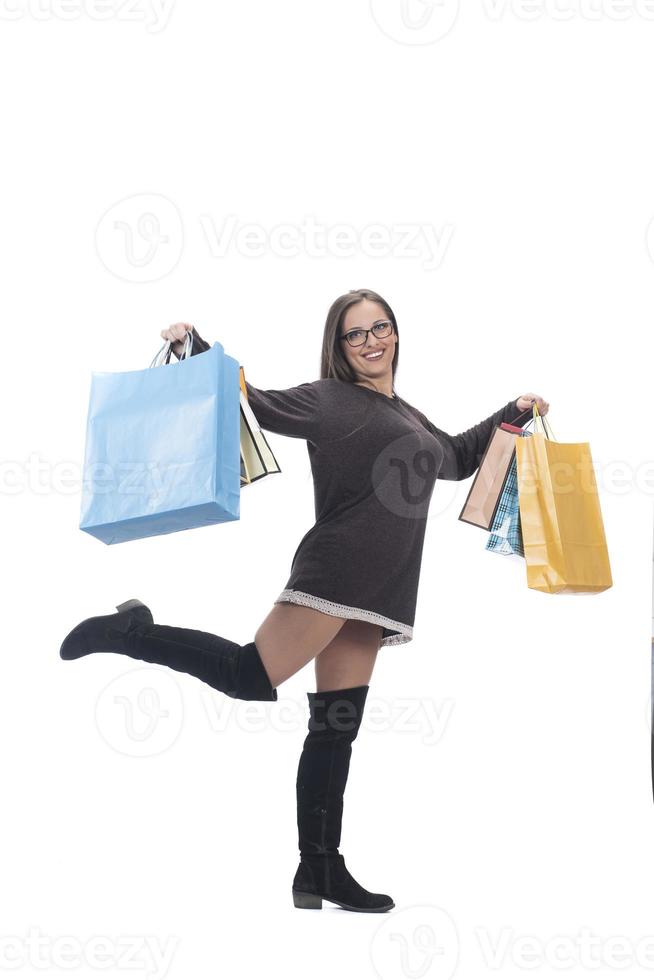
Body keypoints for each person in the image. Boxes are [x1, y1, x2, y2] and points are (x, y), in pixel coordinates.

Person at [59, 287, 550, 913]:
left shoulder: (407, 413)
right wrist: (194, 349)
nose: (372, 341)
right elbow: (252, 402)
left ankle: (319, 869)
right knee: (248, 677)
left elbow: (453, 459)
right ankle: (128, 630)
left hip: (382, 590)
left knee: (334, 730)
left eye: (381, 328)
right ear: (339, 346)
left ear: (396, 334)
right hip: (337, 572)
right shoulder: (328, 400)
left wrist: (515, 410)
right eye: (357, 333)